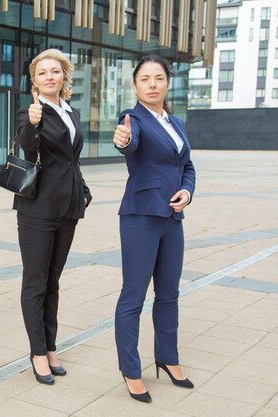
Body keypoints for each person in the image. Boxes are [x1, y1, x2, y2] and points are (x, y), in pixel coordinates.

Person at [112, 55, 196, 403]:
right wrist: (123, 140)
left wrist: (187, 192)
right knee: (134, 295)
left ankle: (168, 357)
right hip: (140, 217)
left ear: (166, 83)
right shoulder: (133, 119)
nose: (152, 84)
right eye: (145, 79)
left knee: (169, 293)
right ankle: (131, 369)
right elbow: (128, 143)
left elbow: (187, 165)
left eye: (158, 78)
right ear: (135, 85)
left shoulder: (175, 122)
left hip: (172, 219)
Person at [15, 49, 92, 385]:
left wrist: (84, 191)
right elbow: (28, 149)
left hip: (69, 207)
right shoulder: (30, 112)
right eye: (42, 72)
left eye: (55, 71)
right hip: (38, 208)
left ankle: (50, 346)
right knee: (36, 281)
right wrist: (32, 124)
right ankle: (37, 352)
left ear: (64, 76)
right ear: (34, 80)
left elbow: (70, 159)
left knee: (53, 282)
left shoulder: (71, 112)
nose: (49, 77)